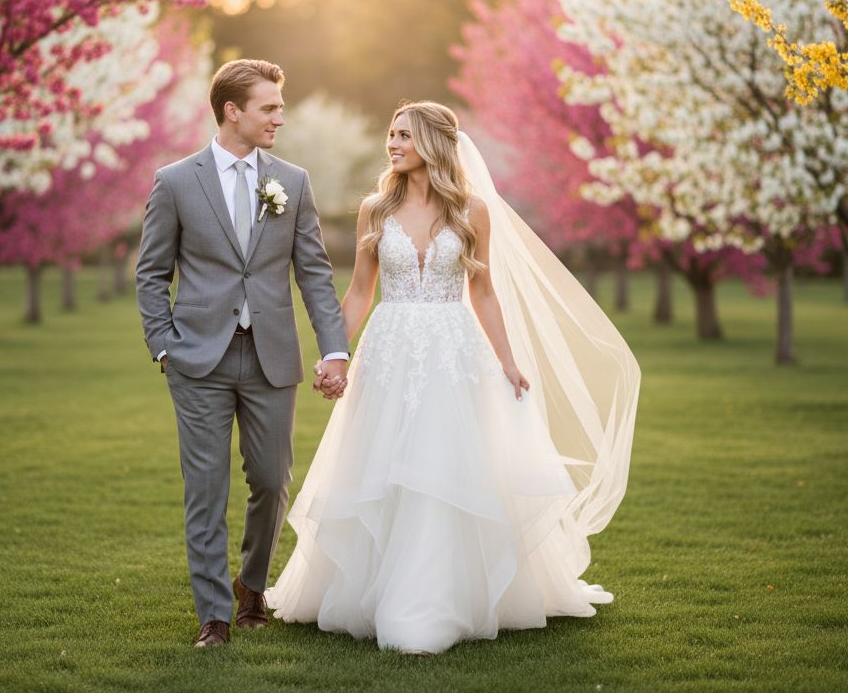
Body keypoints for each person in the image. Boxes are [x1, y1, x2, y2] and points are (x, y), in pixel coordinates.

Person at [265, 101, 640, 654]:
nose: (391, 144)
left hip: (452, 352)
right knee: (382, 465)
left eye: (403, 136)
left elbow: (482, 291)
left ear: (434, 145)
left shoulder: (473, 210)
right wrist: (333, 354)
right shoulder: (375, 208)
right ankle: (370, 589)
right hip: (389, 350)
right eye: (390, 134)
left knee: (444, 465)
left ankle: (441, 598)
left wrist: (508, 361)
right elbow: (361, 293)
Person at [135, 59, 350, 649]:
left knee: (271, 480)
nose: (280, 117)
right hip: (196, 361)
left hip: (271, 358)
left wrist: (335, 348)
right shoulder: (176, 181)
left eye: (280, 108)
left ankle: (252, 585)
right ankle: (215, 616)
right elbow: (151, 274)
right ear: (234, 111)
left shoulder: (293, 182)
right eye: (270, 108)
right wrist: (163, 348)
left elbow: (314, 273)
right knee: (205, 487)